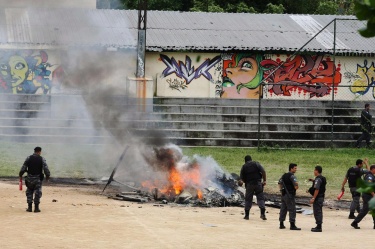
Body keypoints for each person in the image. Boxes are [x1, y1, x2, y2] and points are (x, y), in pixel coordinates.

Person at [19, 147, 51, 212]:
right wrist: (47, 176)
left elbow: (23, 167)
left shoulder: (28, 158)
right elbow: (46, 169)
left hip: (29, 179)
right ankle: (36, 208)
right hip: (38, 179)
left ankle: (29, 207)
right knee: (37, 192)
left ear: (34, 151)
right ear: (39, 151)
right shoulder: (42, 159)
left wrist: (20, 174)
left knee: (29, 192)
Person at [239, 155, 267, 220]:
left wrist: (241, 182)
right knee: (260, 198)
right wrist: (264, 180)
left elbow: (241, 179)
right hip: (258, 184)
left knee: (248, 199)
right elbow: (263, 171)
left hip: (249, 185)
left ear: (245, 161)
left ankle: (247, 215)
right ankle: (262, 214)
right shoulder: (256, 164)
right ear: (251, 159)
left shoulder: (244, 166)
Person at [351, 164, 375, 229]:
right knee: (365, 210)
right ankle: (355, 222)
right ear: (373, 169)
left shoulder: (371, 175)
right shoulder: (369, 176)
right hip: (368, 195)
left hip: (368, 195)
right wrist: (373, 195)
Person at [278, 163, 301, 230]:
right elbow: (296, 186)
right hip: (290, 195)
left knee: (283, 209)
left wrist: (281, 191)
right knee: (292, 210)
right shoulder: (292, 176)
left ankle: (281, 224)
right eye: (295, 168)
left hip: (284, 195)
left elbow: (279, 183)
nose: (296, 170)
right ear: (291, 168)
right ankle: (292, 225)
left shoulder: (284, 175)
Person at [309, 165, 327, 232]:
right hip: (321, 197)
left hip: (318, 197)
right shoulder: (322, 178)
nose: (314, 172)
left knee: (317, 211)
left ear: (317, 171)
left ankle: (319, 227)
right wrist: (313, 180)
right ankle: (318, 225)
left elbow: (317, 189)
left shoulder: (318, 179)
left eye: (314, 170)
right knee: (318, 211)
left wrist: (313, 198)